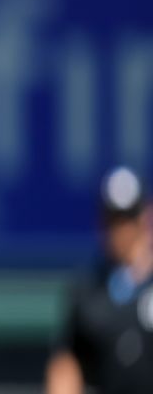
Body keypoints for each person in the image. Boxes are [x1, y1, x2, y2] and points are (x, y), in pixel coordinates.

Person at [46, 167, 153, 394]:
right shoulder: (90, 289)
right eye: (113, 220)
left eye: (126, 220)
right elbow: (67, 362)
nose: (119, 230)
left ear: (143, 217)